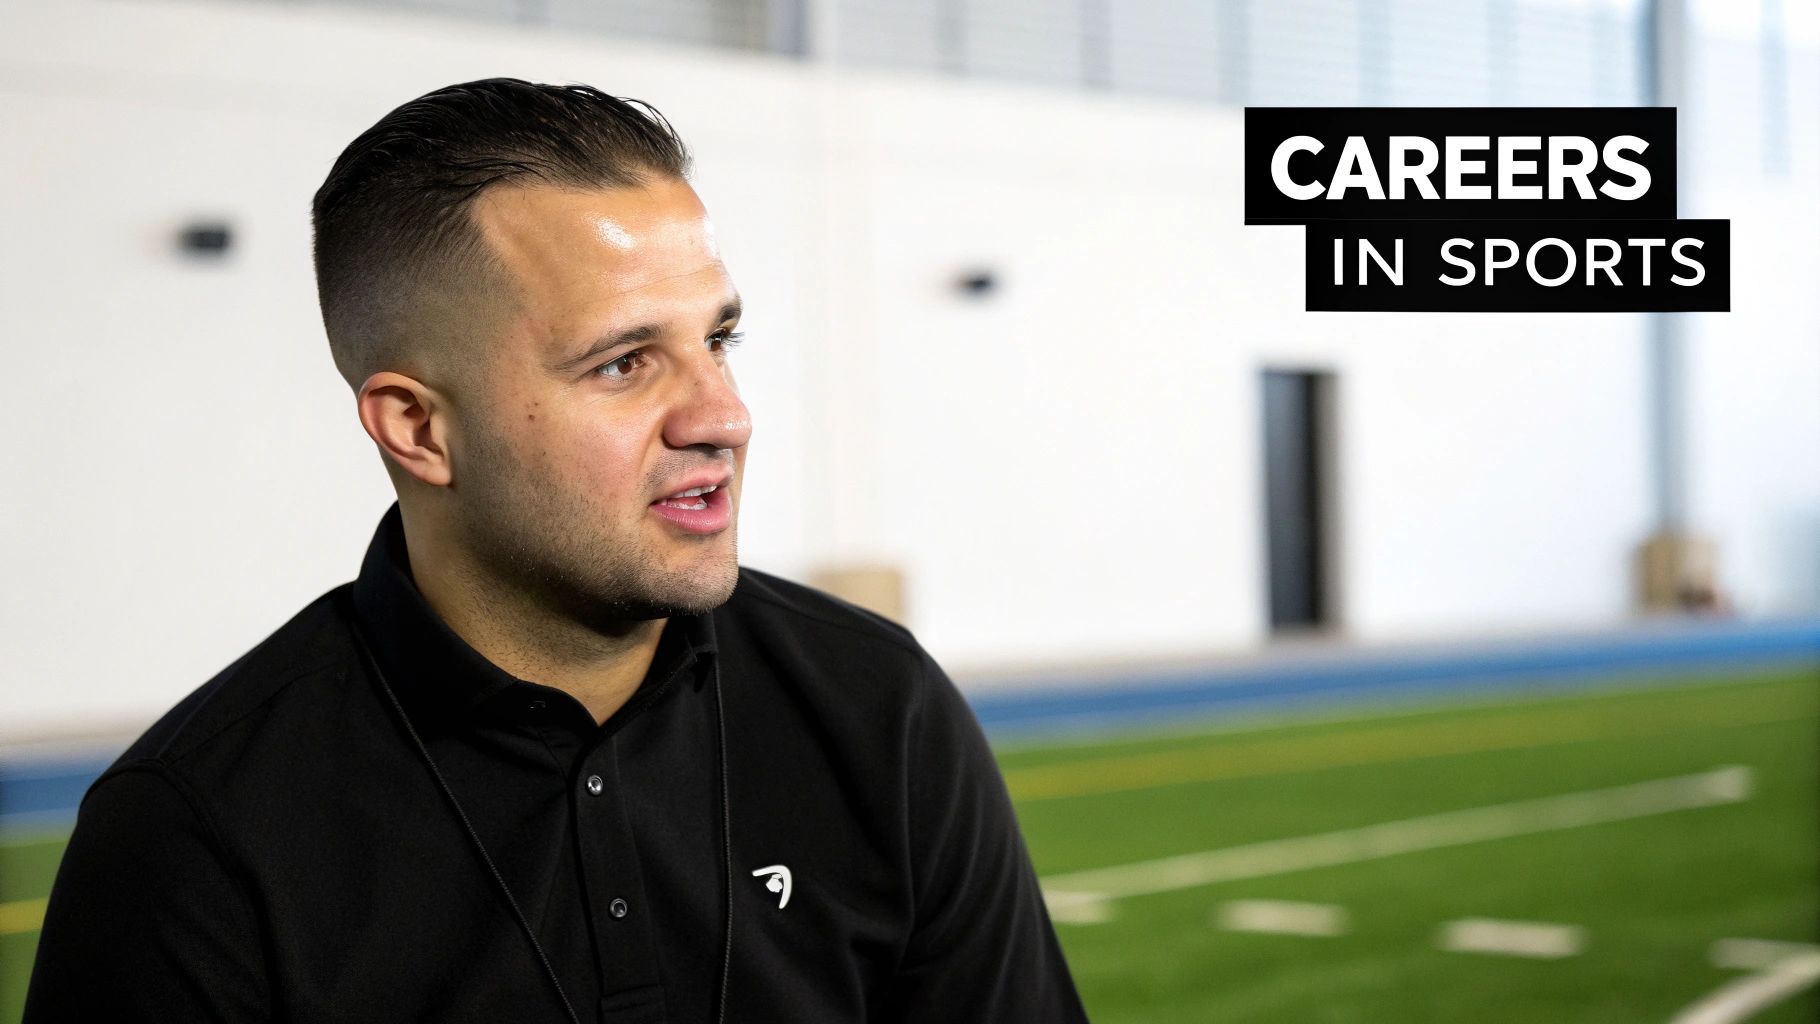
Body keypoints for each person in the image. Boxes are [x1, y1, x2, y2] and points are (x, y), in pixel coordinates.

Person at [24, 78, 1089, 1023]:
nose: (723, 416)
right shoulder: (196, 832)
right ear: (418, 429)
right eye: (624, 363)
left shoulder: (879, 707)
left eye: (717, 339)